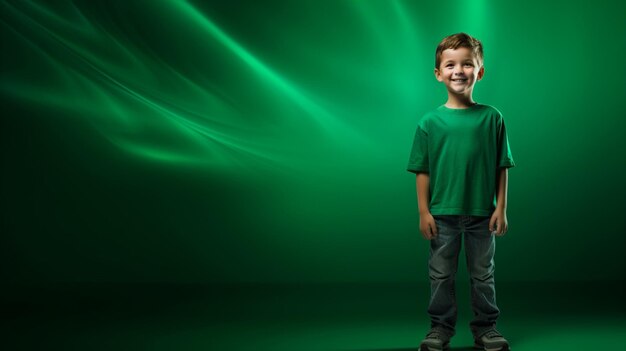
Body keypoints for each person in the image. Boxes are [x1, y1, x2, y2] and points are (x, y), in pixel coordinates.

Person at [406, 32, 515, 351]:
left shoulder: (492, 118)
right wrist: (423, 211)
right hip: (442, 214)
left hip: (483, 214)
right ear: (438, 73)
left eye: (467, 64)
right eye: (450, 64)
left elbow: (502, 166)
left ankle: (486, 328)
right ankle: (439, 328)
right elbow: (422, 170)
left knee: (483, 275)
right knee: (441, 275)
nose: (459, 70)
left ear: (479, 71)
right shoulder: (429, 122)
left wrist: (502, 207)